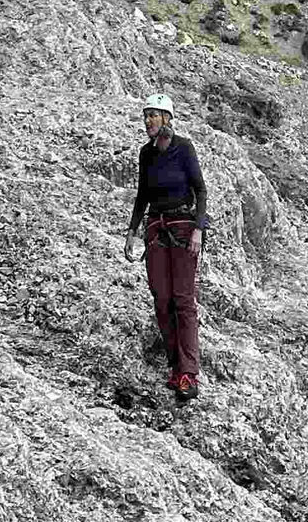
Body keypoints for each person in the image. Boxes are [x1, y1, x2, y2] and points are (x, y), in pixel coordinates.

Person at [124, 95, 206, 398]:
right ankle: (176, 367)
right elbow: (142, 194)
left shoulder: (183, 148)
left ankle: (189, 373)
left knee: (183, 300)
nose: (148, 121)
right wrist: (132, 231)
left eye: (153, 116)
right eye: (146, 116)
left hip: (184, 228)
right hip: (157, 229)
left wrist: (199, 228)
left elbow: (200, 189)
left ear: (167, 119)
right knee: (162, 298)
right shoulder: (146, 154)